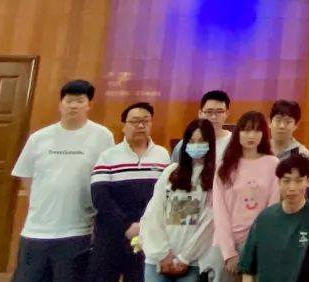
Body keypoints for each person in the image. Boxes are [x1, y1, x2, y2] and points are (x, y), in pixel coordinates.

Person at [11, 79, 114, 282]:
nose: (73, 105)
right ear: (60, 104)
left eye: (80, 100)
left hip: (77, 230)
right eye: (69, 100)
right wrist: (39, 203)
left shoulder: (103, 136)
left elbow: (106, 178)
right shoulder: (39, 138)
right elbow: (26, 175)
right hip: (35, 230)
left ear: (89, 105)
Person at [89, 101, 171, 282]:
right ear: (124, 126)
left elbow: (166, 197)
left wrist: (144, 226)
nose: (140, 126)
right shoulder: (108, 156)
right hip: (111, 235)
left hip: (147, 235)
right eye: (134, 121)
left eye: (145, 121)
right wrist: (126, 226)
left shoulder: (162, 155)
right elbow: (100, 197)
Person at [140, 119, 219, 281]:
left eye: (201, 141)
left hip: (192, 262)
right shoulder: (171, 171)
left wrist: (184, 258)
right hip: (158, 259)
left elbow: (209, 223)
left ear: (210, 144)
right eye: (191, 141)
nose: (196, 145)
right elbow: (154, 213)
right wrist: (162, 253)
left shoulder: (216, 177)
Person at [237, 154, 309, 282]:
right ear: (279, 182)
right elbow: (247, 269)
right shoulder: (264, 218)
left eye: (298, 181)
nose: (292, 188)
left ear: (308, 181)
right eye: (286, 181)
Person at [213, 111, 281, 279]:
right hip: (226, 245)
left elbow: (273, 210)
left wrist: (257, 246)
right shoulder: (224, 167)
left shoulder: (273, 164)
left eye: (257, 130)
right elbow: (220, 212)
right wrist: (229, 253)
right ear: (238, 133)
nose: (252, 135)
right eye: (246, 130)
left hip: (260, 243)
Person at [171, 90, 232, 163]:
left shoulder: (234, 142)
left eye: (219, 112)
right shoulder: (186, 145)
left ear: (227, 113)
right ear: (200, 113)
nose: (214, 117)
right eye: (209, 112)